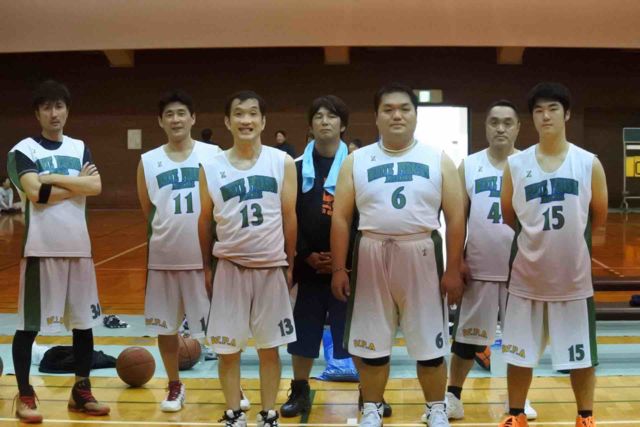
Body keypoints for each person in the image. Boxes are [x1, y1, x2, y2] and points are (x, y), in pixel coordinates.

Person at [331, 82, 465, 427]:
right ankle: (372, 407)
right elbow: (341, 217)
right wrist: (339, 268)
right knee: (371, 346)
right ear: (376, 117)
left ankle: (436, 407)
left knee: (430, 346)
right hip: (371, 251)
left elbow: (455, 217)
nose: (397, 115)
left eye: (404, 109)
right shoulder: (356, 160)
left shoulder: (438, 158)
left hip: (421, 252)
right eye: (388, 109)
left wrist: (453, 268)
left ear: (416, 116)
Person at [498, 82, 608, 427]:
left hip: (572, 280)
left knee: (581, 355)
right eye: (538, 110)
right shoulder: (516, 165)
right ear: (532, 118)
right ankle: (516, 414)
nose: (545, 116)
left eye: (553, 109)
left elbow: (599, 216)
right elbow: (508, 215)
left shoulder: (588, 163)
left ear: (567, 114)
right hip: (527, 276)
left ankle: (585, 416)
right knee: (519, 353)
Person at [6, 80, 108, 423]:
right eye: (47, 107)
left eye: (59, 106)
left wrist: (51, 178)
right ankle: (25, 393)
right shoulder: (23, 150)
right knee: (29, 326)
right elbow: (36, 194)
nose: (54, 113)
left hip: (79, 248)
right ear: (37, 113)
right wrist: (76, 184)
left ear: (67, 110)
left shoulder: (80, 147)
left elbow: (96, 186)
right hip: (41, 249)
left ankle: (81, 391)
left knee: (83, 324)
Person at [199, 90, 298, 427]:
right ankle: (234, 413)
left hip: (270, 268)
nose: (246, 120)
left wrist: (289, 264)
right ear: (227, 122)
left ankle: (268, 413)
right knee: (227, 350)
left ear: (263, 121)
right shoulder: (211, 166)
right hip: (230, 267)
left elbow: (289, 217)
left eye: (253, 113)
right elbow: (204, 221)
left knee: (270, 348)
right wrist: (206, 267)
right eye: (239, 114)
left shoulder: (282, 162)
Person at [442, 100, 536, 421]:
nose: (500, 128)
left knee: (520, 341)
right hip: (478, 269)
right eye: (494, 122)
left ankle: (519, 400)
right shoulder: (468, 166)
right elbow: (457, 219)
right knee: (466, 340)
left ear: (518, 127)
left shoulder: (530, 165)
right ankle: (453, 396)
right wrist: (455, 262)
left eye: (507, 122)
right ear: (485, 127)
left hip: (520, 271)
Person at [136, 90, 220, 412]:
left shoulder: (213, 154)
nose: (176, 119)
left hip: (204, 259)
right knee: (166, 328)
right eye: (169, 114)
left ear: (193, 118)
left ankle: (232, 383)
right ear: (160, 121)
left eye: (181, 113)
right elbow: (149, 211)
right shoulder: (148, 161)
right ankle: (174, 385)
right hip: (164, 259)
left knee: (220, 326)